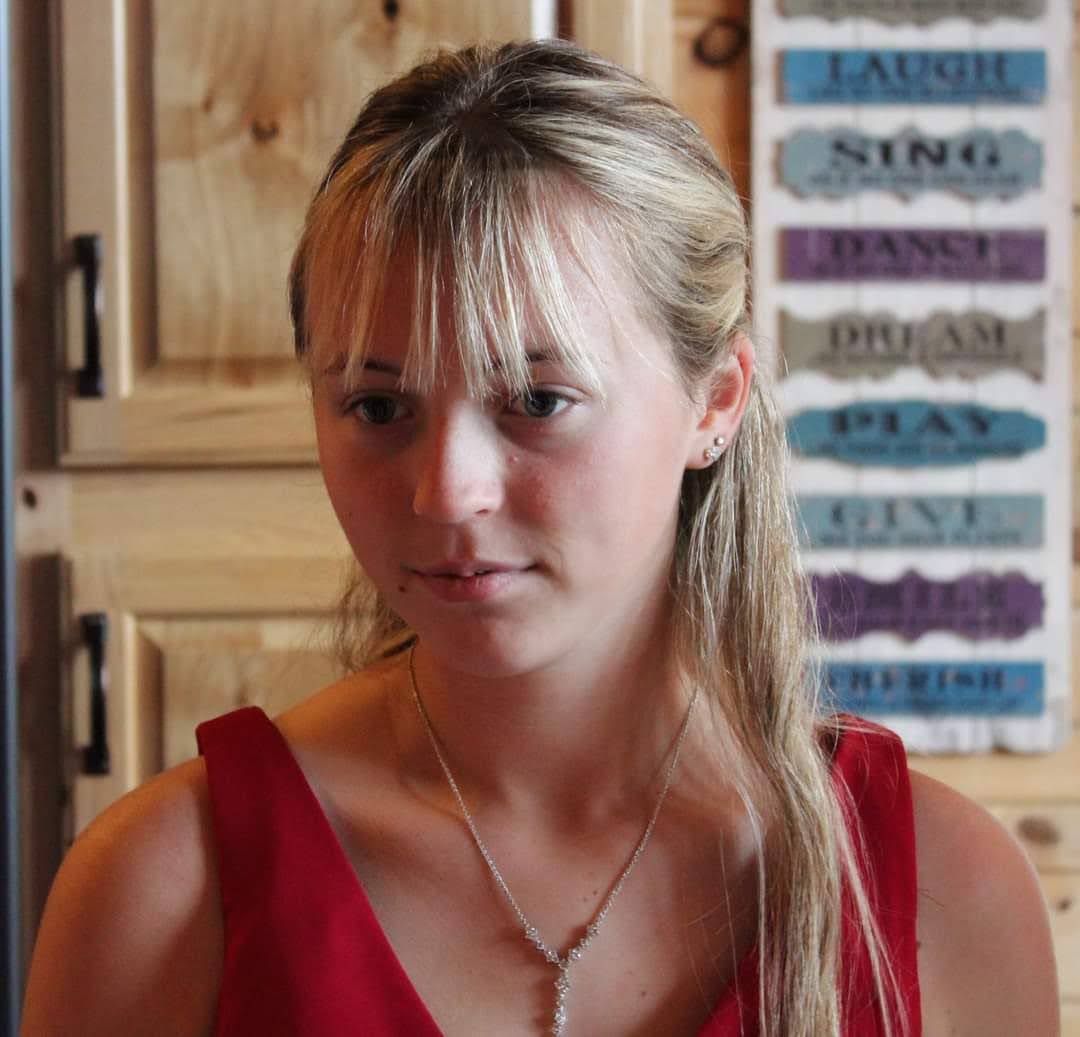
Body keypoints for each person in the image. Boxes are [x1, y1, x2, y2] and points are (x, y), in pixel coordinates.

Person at [21, 38, 1058, 1037]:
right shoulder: (163, 887)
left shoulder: (942, 894)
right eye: (379, 406)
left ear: (716, 399)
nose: (447, 492)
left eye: (538, 399)